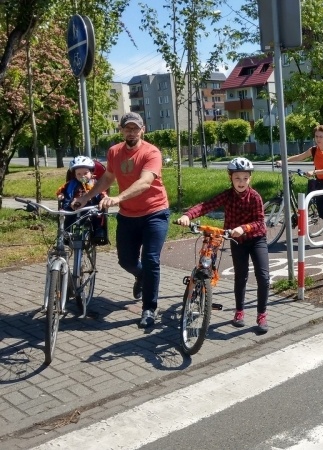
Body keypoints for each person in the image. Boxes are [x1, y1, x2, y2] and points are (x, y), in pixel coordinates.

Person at [74, 111, 170, 329]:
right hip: (128, 215)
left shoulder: (151, 152)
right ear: (122, 130)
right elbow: (108, 177)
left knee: (151, 259)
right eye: (128, 128)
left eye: (135, 128)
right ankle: (141, 276)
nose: (131, 131)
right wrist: (86, 197)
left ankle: (149, 308)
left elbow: (145, 182)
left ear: (143, 130)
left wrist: (117, 198)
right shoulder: (114, 152)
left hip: (155, 212)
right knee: (126, 261)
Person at [176, 157, 270, 334]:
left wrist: (244, 228)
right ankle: (239, 312)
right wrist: (188, 215)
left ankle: (261, 315)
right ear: (230, 178)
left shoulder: (255, 197)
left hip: (256, 239)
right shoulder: (227, 195)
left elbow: (260, 222)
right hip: (237, 242)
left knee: (263, 277)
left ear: (250, 178)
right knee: (240, 276)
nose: (241, 182)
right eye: (237, 178)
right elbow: (207, 205)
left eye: (245, 178)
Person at [276, 124, 323, 249]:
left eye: (321, 137)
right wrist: (284, 161)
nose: (318, 139)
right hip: (321, 184)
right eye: (316, 136)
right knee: (321, 213)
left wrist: (314, 172)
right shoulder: (313, 149)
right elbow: (300, 156)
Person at [57, 155, 108, 244]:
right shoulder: (71, 183)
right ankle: (65, 233)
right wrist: (61, 194)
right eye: (79, 174)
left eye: (85, 173)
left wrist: (104, 197)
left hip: (91, 206)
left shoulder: (95, 183)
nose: (82, 176)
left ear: (91, 173)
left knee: (98, 216)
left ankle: (99, 232)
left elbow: (101, 191)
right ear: (74, 174)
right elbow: (62, 189)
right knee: (66, 217)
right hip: (74, 206)